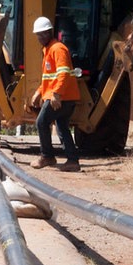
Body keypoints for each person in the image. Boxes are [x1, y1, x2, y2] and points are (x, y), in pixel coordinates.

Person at [29, 15, 81, 172]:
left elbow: (63, 73)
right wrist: (39, 92)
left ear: (50, 32)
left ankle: (47, 156)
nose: (41, 37)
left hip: (60, 97)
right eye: (38, 34)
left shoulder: (57, 49)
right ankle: (72, 161)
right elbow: (49, 78)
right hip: (64, 96)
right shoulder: (48, 50)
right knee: (62, 126)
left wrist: (57, 94)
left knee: (41, 122)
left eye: (44, 33)